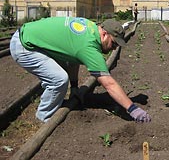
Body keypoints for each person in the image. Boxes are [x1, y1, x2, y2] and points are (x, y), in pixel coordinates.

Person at [10, 17, 151, 123]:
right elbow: (109, 84)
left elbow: (72, 57)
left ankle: (51, 103)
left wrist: (75, 87)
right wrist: (133, 109)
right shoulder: (88, 46)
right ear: (104, 34)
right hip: (25, 46)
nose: (114, 48)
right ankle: (43, 117)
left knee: (59, 76)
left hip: (31, 37)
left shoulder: (90, 28)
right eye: (114, 43)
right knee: (58, 80)